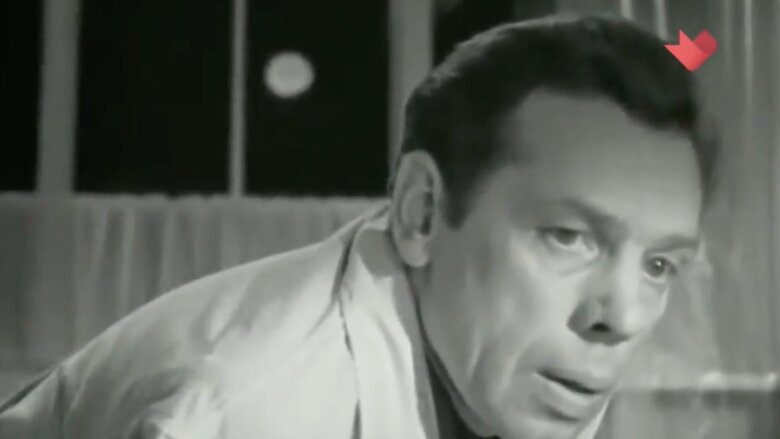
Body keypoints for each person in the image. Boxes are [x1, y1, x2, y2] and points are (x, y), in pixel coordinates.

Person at [0, 14, 718, 439]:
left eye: (659, 264)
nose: (622, 317)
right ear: (422, 214)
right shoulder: (256, 413)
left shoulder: (513, 373)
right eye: (569, 236)